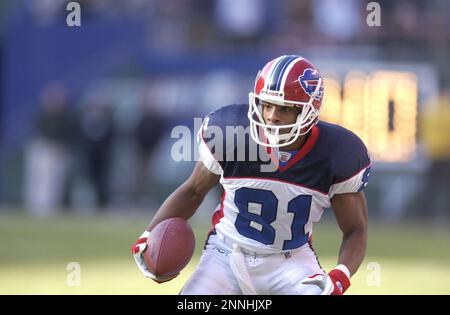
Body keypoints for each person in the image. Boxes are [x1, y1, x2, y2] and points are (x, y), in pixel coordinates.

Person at [131, 55, 371, 295]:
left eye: (285, 108)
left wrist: (340, 276)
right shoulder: (229, 133)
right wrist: (148, 234)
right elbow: (193, 191)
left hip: (291, 262)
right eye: (267, 105)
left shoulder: (336, 153)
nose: (272, 116)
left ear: (308, 112)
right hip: (225, 255)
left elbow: (355, 230)